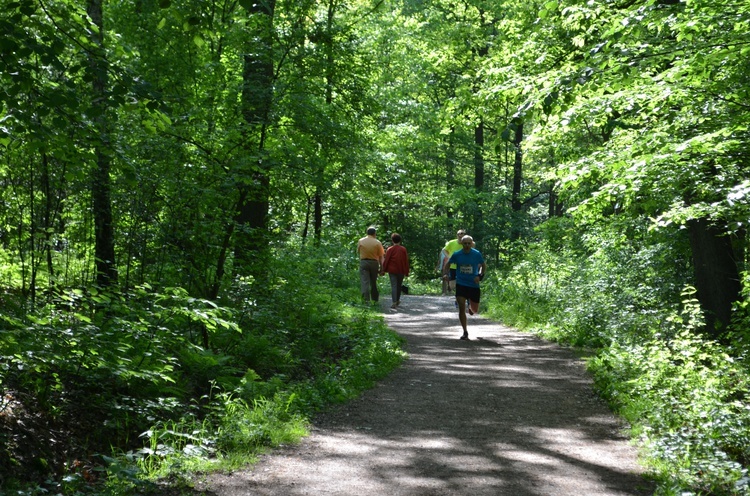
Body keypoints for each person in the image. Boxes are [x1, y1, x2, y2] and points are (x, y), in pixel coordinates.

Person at [443, 235, 486, 340]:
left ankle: (471, 308)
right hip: (461, 284)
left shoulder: (476, 254)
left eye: (469, 243)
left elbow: (483, 266)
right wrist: (446, 274)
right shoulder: (457, 255)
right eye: (465, 243)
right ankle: (465, 332)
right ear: (461, 244)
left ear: (471, 243)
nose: (467, 245)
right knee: (461, 306)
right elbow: (448, 264)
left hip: (473, 285)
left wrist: (479, 276)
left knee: (474, 310)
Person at [357, 226, 385, 303]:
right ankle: (375, 300)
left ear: (367, 233)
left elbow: (358, 251)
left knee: (365, 282)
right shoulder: (377, 242)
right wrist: (382, 269)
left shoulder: (361, 241)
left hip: (364, 262)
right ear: (374, 233)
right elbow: (381, 257)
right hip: (374, 263)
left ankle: (365, 301)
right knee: (373, 282)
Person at [381, 233, 409, 308]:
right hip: (401, 269)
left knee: (394, 285)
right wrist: (406, 271)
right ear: (400, 240)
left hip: (392, 270)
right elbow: (405, 261)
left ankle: (394, 302)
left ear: (392, 240)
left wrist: (383, 269)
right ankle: (397, 300)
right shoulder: (403, 249)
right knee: (399, 285)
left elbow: (386, 260)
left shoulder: (390, 249)